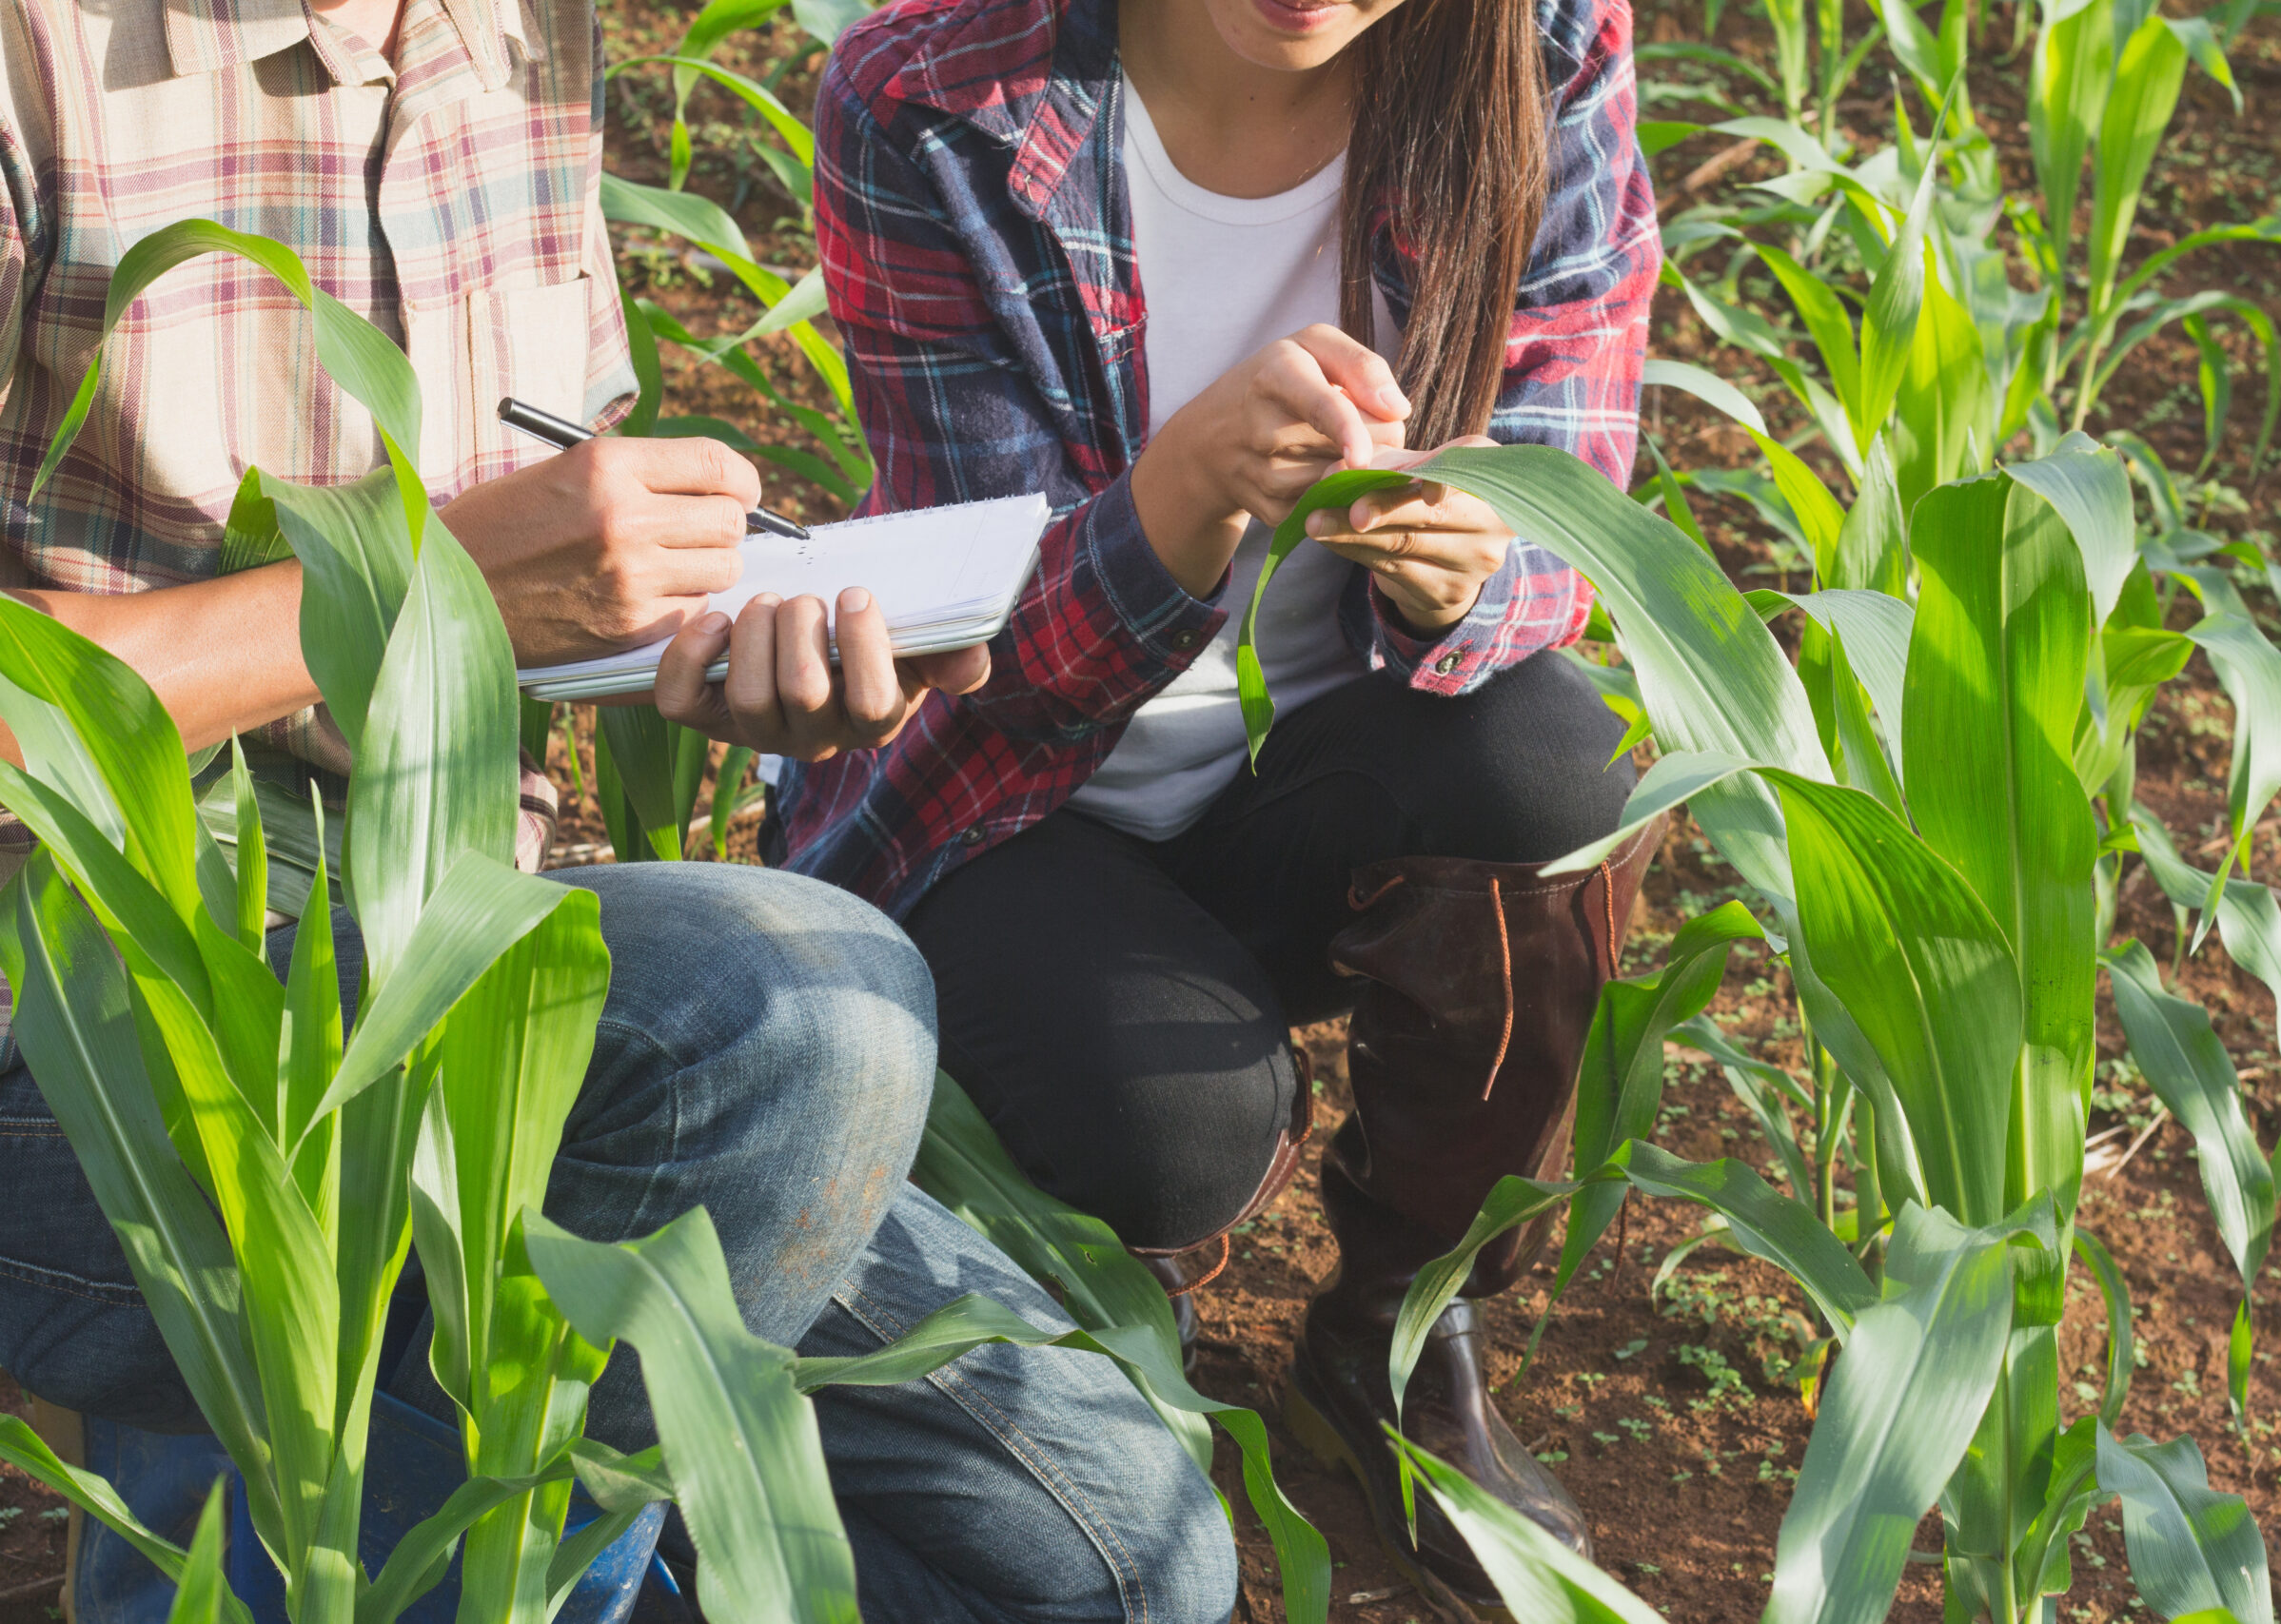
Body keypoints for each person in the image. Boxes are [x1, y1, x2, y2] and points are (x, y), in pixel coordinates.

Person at [0, 0, 1237, 1618]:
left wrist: (711, 638)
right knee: (795, 1009)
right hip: (78, 1004)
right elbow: (462, 579)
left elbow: (542, 568)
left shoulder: (513, 36)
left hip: (432, 952)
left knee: (1111, 1554)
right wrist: (426, 583)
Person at [775, 0, 1662, 1604]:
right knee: (1173, 1116)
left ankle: (1396, 1340)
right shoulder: (928, 98)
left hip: (1328, 775)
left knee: (1566, 766)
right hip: (1016, 801)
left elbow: (1571, 482)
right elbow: (978, 648)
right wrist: (1179, 490)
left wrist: (1479, 566)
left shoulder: (1534, 54)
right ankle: (1111, 1308)